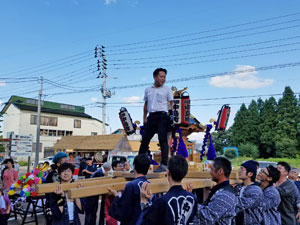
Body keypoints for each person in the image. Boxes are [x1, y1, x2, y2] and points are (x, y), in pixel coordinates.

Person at [138, 155, 197, 225]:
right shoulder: (192, 198)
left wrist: (144, 203)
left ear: (167, 172)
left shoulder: (162, 201)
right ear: (185, 173)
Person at [139, 68, 174, 173]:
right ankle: (138, 165)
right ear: (155, 77)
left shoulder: (167, 89)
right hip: (151, 116)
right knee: (145, 140)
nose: (163, 79)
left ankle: (164, 164)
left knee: (162, 139)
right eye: (161, 76)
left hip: (163, 116)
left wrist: (170, 115)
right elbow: (146, 105)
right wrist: (144, 118)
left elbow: (171, 103)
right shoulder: (148, 90)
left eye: (164, 77)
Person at [108, 154, 151, 225]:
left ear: (134, 166)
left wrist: (116, 196)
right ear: (148, 168)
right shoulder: (150, 184)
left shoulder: (131, 185)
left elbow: (122, 212)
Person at [193, 157, 237, 224]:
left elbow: (207, 217)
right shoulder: (219, 190)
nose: (210, 172)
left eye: (211, 169)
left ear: (220, 171)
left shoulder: (225, 195)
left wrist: (189, 200)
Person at [234, 160, 263, 225]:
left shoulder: (255, 190)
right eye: (239, 169)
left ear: (250, 174)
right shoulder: (238, 187)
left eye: (242, 169)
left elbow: (241, 205)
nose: (239, 171)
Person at [45, 152, 68, 225]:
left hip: (65, 204)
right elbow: (46, 190)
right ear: (58, 164)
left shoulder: (67, 174)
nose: (67, 164)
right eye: (64, 162)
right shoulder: (52, 175)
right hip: (53, 205)